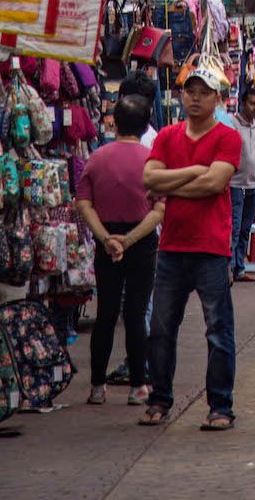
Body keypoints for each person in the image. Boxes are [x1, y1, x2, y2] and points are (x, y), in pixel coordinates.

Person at [141, 65, 242, 432]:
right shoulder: (167, 135)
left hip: (211, 249)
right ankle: (159, 399)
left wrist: (169, 184)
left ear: (217, 97)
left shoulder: (228, 137)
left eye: (203, 92)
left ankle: (221, 406)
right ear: (182, 94)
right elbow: (148, 178)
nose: (195, 97)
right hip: (171, 248)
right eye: (190, 91)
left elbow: (214, 184)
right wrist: (194, 172)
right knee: (162, 329)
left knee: (218, 330)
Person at [77, 96, 163, 406]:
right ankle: (138, 386)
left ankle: (97, 387)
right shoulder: (152, 160)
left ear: (115, 124)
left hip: (107, 242)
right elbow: (159, 210)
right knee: (136, 315)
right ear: (144, 126)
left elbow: (84, 203)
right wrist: (129, 241)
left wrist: (106, 238)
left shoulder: (97, 158)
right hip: (141, 242)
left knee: (106, 314)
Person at [229, 87, 255, 281]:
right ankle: (230, 268)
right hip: (235, 184)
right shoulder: (233, 123)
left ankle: (239, 269)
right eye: (252, 103)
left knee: (245, 229)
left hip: (253, 185)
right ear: (243, 103)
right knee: (234, 229)